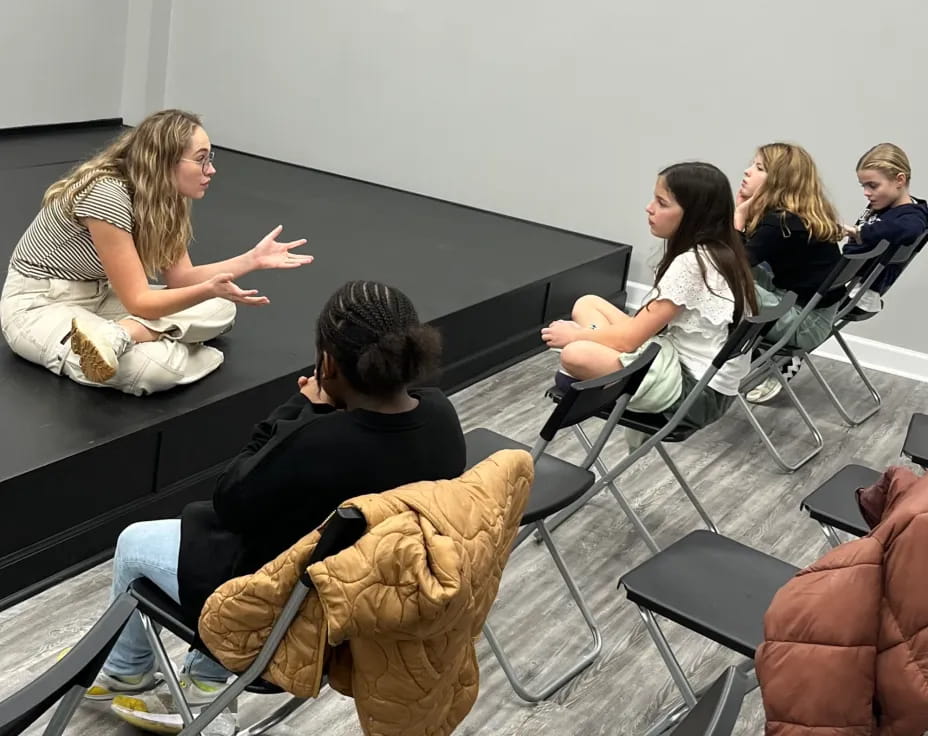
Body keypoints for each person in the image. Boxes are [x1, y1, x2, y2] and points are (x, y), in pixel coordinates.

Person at [85, 280, 467, 710]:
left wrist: (299, 408)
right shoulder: (440, 416)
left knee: (135, 543)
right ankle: (205, 680)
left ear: (329, 364)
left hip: (277, 613)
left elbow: (231, 497)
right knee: (270, 535)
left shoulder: (317, 442)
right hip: (352, 612)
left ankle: (125, 671)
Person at [1, 109, 312, 396]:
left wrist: (251, 260)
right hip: (40, 305)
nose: (212, 169)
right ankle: (167, 346)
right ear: (164, 161)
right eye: (201, 159)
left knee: (221, 305)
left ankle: (119, 335)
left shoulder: (165, 197)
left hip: (103, 298)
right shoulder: (106, 193)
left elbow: (182, 279)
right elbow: (140, 301)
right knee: (152, 370)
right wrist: (204, 291)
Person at [541, 162, 757, 441]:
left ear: (693, 216)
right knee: (588, 303)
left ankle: (594, 369)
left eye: (661, 202)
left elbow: (629, 340)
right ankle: (597, 368)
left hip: (694, 393)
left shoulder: (693, 263)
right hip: (694, 374)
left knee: (574, 353)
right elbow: (646, 329)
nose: (649, 208)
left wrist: (579, 335)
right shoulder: (721, 250)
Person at [734, 143, 844, 404]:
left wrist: (738, 214)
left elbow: (731, 266)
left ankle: (708, 360)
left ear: (779, 181)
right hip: (814, 312)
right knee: (738, 274)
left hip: (804, 324)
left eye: (759, 168)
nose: (747, 171)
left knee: (722, 283)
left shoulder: (779, 222)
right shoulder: (797, 215)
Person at [843, 142, 928, 312]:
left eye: (872, 185)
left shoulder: (912, 215)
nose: (866, 192)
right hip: (846, 283)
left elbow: (911, 230)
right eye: (864, 186)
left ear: (900, 180)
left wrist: (861, 232)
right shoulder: (882, 205)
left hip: (857, 292)